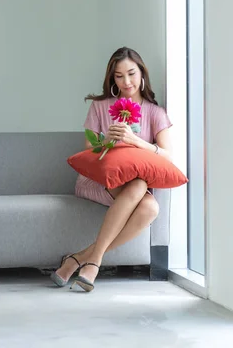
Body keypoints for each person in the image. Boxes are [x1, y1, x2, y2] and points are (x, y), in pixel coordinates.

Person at [50, 47, 174, 292]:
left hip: (133, 188)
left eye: (131, 73)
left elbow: (169, 157)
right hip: (97, 181)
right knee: (140, 188)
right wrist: (107, 141)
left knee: (150, 207)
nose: (126, 82)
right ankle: (92, 261)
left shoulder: (155, 113)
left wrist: (137, 141)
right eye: (119, 76)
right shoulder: (100, 107)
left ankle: (83, 258)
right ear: (112, 79)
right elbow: (87, 152)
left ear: (142, 74)